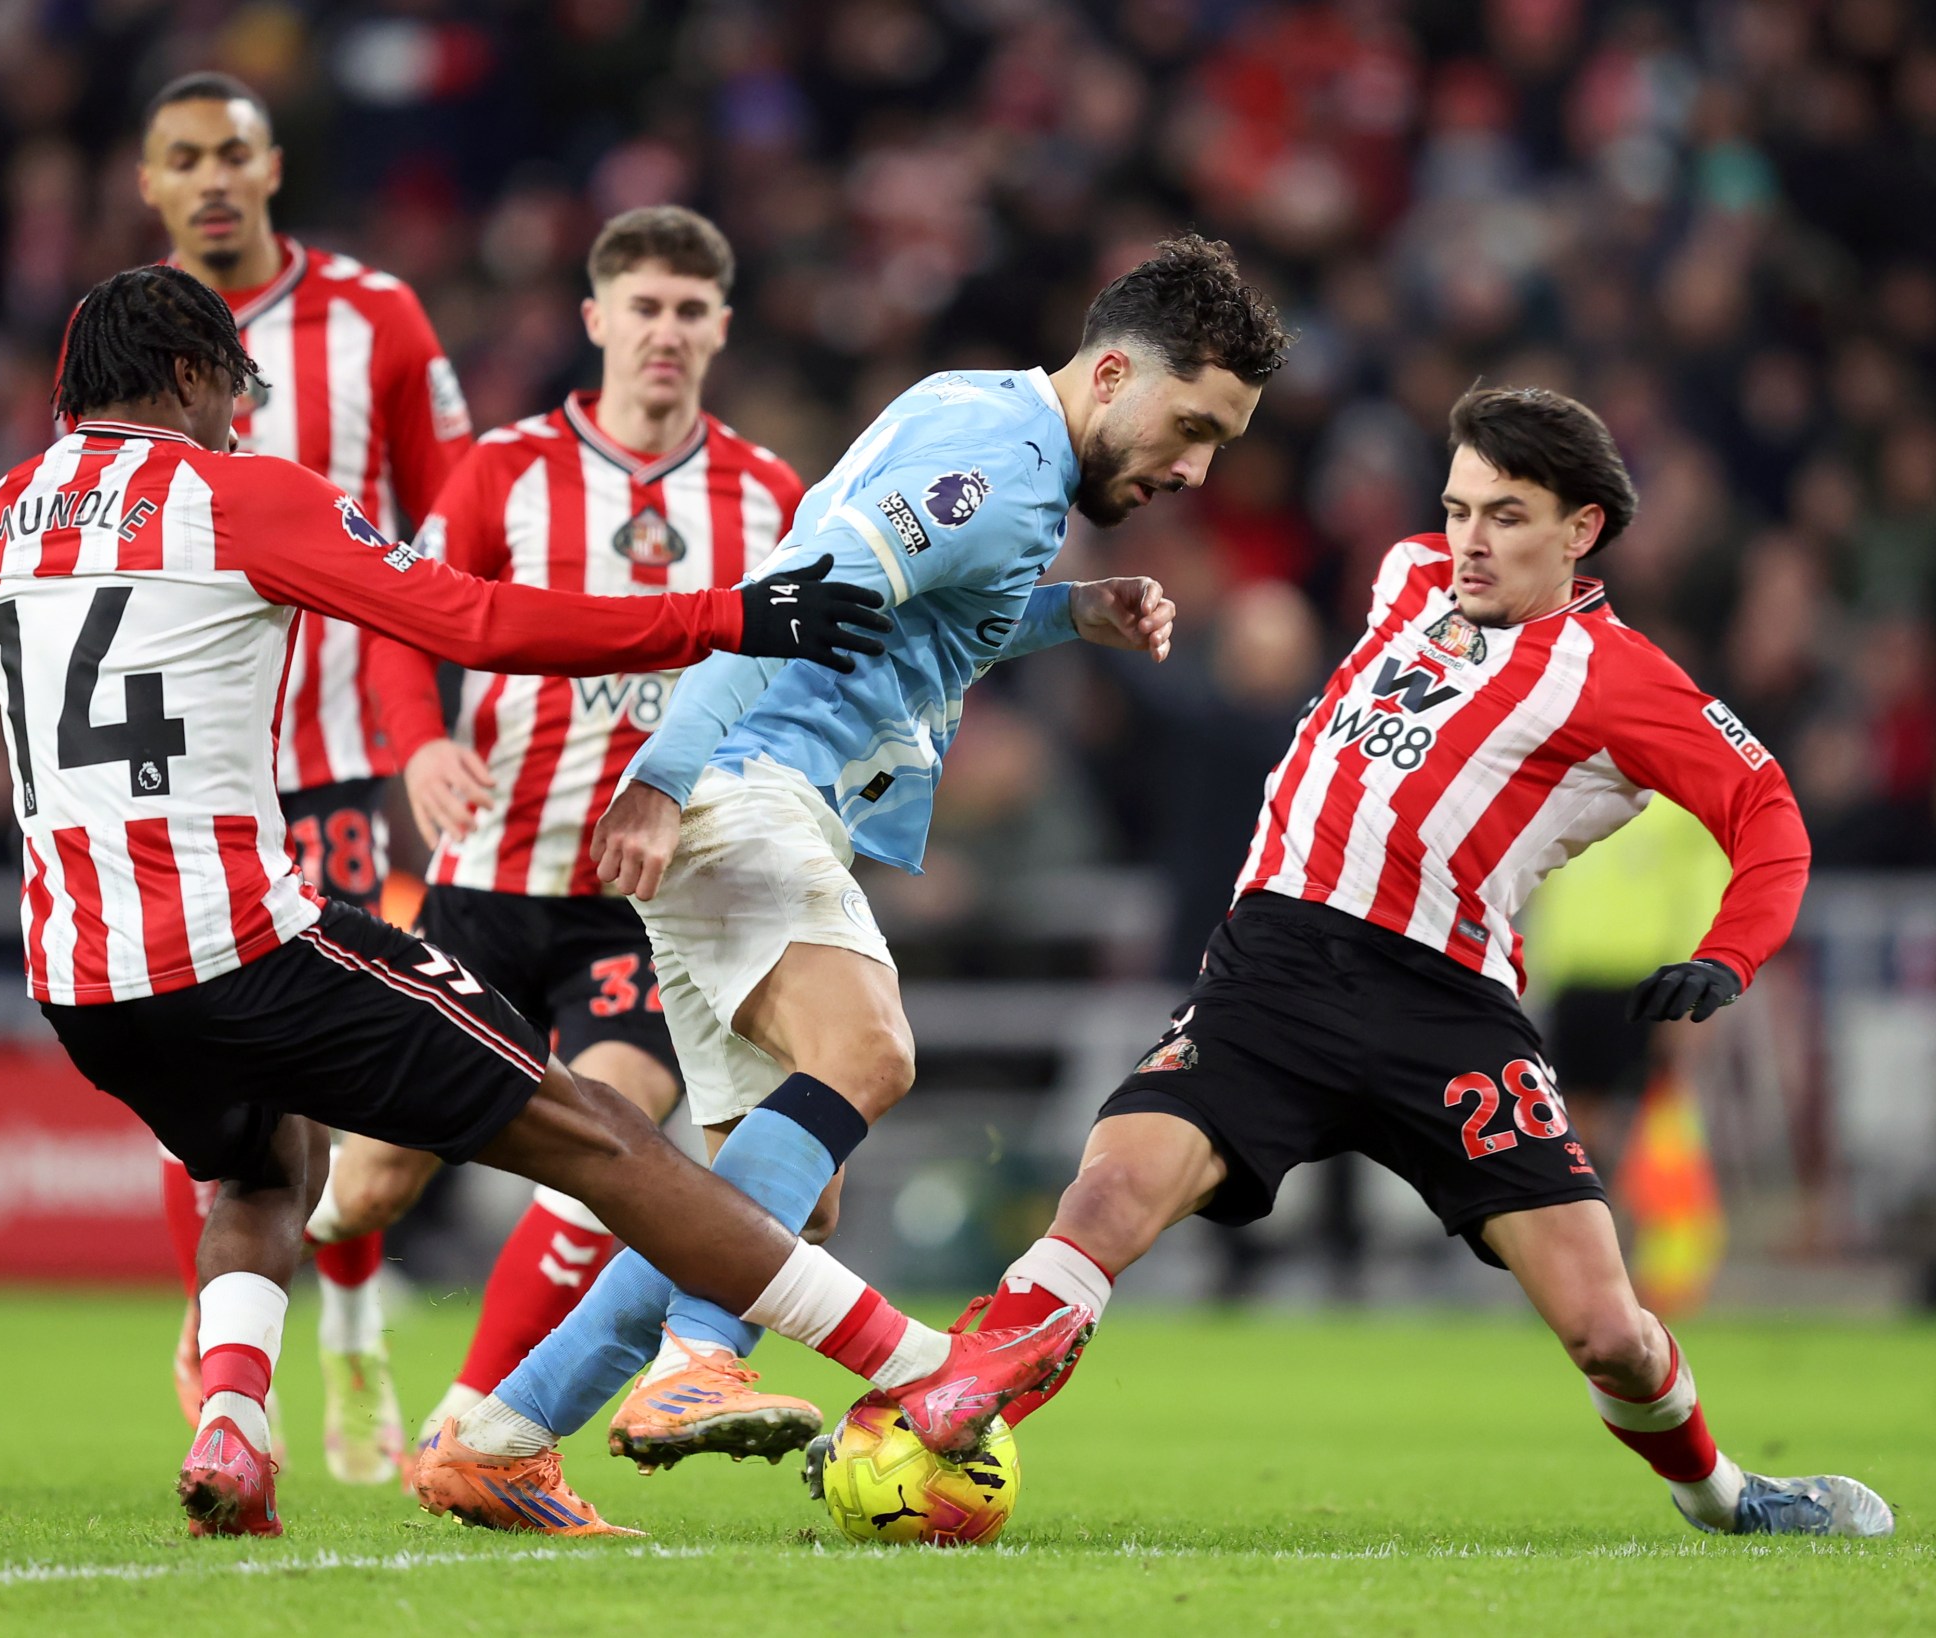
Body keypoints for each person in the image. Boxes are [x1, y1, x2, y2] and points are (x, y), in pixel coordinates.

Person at [0, 264, 1083, 1540]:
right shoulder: (237, 494)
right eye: (236, 395)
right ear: (199, 376)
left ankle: (236, 1423)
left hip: (77, 975)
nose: (240, 420)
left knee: (264, 1167)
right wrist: (719, 614)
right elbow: (468, 620)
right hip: (240, 938)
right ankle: (915, 1359)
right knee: (593, 1132)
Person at [406, 234, 1288, 1527]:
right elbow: (794, 594)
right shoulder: (996, 469)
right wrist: (663, 776)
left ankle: (504, 1429)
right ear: (1112, 372)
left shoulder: (985, 418)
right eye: (1193, 425)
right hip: (744, 781)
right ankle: (699, 1364)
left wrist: (1069, 613)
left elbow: (911, 618)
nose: (1197, 469)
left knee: (769, 1201)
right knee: (867, 1049)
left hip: (752, 792)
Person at [940, 385, 1895, 1538]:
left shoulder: (1621, 677)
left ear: (1581, 530)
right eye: (1457, 509)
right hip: (1275, 972)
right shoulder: (1406, 577)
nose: (1470, 541)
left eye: (1506, 515)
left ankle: (1727, 1497)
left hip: (1447, 1010)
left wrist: (1731, 955)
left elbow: (1768, 811)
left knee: (1609, 1330)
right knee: (1103, 1197)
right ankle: (931, 1426)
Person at [302, 205, 805, 1444]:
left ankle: (473, 1417)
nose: (667, 332)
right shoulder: (504, 473)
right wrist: (418, 739)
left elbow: (790, 686)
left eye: (691, 310)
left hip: (645, 905)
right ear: (596, 319)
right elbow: (398, 619)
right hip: (484, 883)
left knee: (614, 1141)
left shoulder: (771, 494)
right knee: (366, 1188)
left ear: (722, 327)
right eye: (644, 306)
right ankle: (332, 1312)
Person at [131, 70, 474, 1482]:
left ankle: (352, 1326)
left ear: (273, 169)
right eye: (183, 159)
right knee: (196, 1062)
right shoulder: (121, 334)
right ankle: (238, 1348)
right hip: (186, 759)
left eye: (233, 153)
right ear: (150, 185)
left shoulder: (377, 318)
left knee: (334, 1071)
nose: (211, 178)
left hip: (335, 754)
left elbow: (453, 511)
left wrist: (434, 720)